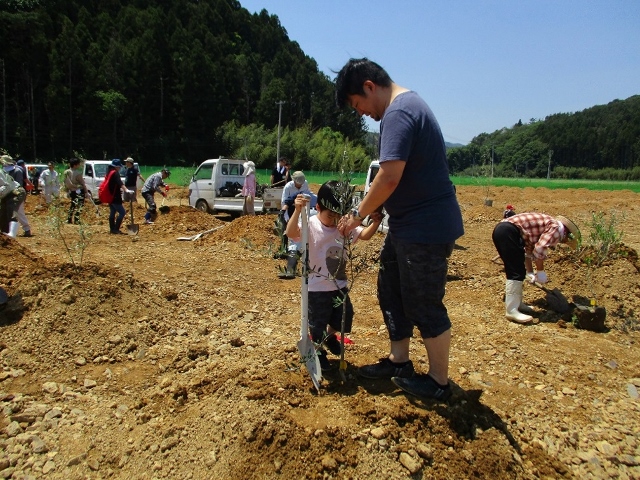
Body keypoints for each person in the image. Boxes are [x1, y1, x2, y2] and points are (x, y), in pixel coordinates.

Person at [335, 58, 464, 402]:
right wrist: (377, 207)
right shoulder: (405, 108)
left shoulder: (398, 112)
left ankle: (438, 383)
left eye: (357, 104)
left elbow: (389, 176)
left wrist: (357, 214)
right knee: (390, 288)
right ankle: (400, 362)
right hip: (408, 225)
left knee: (423, 302)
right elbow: (396, 177)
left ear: (368, 86)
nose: (361, 112)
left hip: (425, 228)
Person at [285, 180, 383, 371]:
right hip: (317, 288)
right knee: (317, 323)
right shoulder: (311, 224)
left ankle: (330, 338)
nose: (334, 219)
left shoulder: (345, 226)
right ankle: (318, 351)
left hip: (339, 286)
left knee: (345, 318)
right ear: (318, 207)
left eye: (338, 215)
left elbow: (363, 235)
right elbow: (290, 233)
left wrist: (375, 223)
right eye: (330, 215)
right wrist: (297, 211)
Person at [492, 213, 580, 324]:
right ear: (567, 234)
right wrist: (540, 271)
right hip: (508, 232)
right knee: (515, 271)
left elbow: (528, 251)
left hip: (505, 231)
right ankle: (511, 311)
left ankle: (517, 304)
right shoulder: (556, 229)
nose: (563, 241)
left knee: (519, 270)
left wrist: (530, 272)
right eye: (566, 239)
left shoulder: (546, 227)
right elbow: (540, 249)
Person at [277, 171, 312, 252]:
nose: (300, 185)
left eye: (301, 184)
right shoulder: (288, 187)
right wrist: (286, 217)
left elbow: (306, 196)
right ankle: (284, 248)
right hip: (289, 209)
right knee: (286, 229)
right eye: (298, 183)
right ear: (294, 180)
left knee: (300, 228)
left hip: (301, 208)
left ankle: (300, 247)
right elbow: (284, 202)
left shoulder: (305, 184)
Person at [3, 155, 32, 237]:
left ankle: (26, 229)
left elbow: (18, 184)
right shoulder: (5, 171)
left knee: (19, 212)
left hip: (16, 194)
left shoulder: (17, 171)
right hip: (6, 194)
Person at [105, 159, 131, 234]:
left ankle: (112, 229)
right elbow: (120, 183)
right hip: (115, 197)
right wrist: (126, 190)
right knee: (122, 212)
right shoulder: (115, 173)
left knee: (112, 212)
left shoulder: (109, 173)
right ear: (116, 166)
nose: (120, 168)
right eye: (119, 167)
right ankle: (116, 229)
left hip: (110, 196)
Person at [63, 158, 91, 224]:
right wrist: (86, 192)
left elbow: (65, 182)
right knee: (80, 205)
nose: (79, 165)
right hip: (79, 191)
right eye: (78, 164)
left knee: (72, 205)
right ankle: (76, 219)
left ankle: (69, 219)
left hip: (72, 191)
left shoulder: (66, 172)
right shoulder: (77, 173)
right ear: (75, 165)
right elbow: (82, 183)